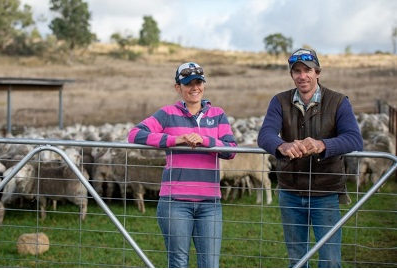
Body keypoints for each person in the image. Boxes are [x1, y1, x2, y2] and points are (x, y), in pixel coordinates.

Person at [257, 48, 363, 268]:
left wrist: (322, 144)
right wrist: (282, 145)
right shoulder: (279, 101)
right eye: (296, 71)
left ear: (318, 72)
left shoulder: (338, 102)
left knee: (330, 258)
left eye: (307, 70)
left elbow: (354, 139)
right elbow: (265, 135)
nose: (302, 75)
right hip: (290, 192)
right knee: (297, 258)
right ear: (291, 75)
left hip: (325, 192)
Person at [127, 61, 237, 268]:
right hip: (175, 202)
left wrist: (205, 141)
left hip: (210, 204)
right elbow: (134, 134)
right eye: (188, 83)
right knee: (178, 263)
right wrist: (174, 140)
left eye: (198, 82)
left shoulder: (218, 115)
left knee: (210, 264)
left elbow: (231, 150)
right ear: (178, 87)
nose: (195, 88)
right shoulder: (168, 113)